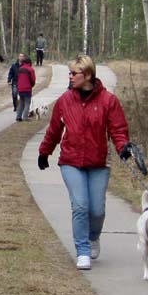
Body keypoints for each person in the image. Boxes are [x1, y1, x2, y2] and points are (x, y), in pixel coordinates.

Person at [36, 55, 141, 271]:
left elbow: (118, 130)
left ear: (89, 75)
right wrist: (44, 152)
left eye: (74, 73)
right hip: (71, 161)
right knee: (81, 206)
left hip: (98, 162)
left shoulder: (108, 101)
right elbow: (54, 129)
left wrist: (123, 148)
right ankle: (82, 250)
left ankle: (94, 237)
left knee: (97, 210)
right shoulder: (65, 100)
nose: (70, 77)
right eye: (70, 73)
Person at [14, 52, 36, 121]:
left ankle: (18, 117)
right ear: (30, 62)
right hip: (27, 89)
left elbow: (18, 79)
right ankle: (25, 117)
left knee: (21, 103)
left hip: (20, 89)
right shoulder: (30, 69)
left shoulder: (20, 69)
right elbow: (33, 79)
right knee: (27, 103)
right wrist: (31, 85)